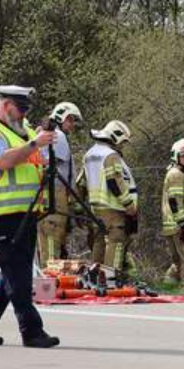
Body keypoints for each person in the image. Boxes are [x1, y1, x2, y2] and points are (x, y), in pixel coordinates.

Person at [0, 85, 60, 348]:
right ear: (6, 105)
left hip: (25, 213)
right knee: (18, 276)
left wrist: (39, 141)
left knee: (14, 272)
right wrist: (34, 144)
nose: (24, 114)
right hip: (1, 216)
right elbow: (3, 162)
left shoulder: (23, 131)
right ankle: (32, 331)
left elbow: (34, 157)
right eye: (21, 108)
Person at [81, 120, 137, 270]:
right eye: (122, 142)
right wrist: (129, 205)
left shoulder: (89, 154)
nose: (122, 145)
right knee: (116, 241)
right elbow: (115, 182)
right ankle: (111, 279)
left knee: (99, 242)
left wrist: (78, 207)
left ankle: (94, 278)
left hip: (95, 208)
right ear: (116, 136)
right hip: (113, 208)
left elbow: (80, 183)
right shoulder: (111, 155)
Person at [37, 101, 82, 266]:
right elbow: (51, 167)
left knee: (55, 241)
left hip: (53, 196)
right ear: (60, 117)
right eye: (69, 120)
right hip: (54, 197)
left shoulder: (47, 134)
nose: (72, 125)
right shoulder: (58, 136)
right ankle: (49, 283)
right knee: (52, 242)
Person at [161, 139, 184, 285]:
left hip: (172, 225)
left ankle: (168, 284)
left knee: (177, 260)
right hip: (179, 225)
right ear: (176, 156)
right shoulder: (176, 175)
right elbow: (174, 200)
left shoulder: (177, 174)